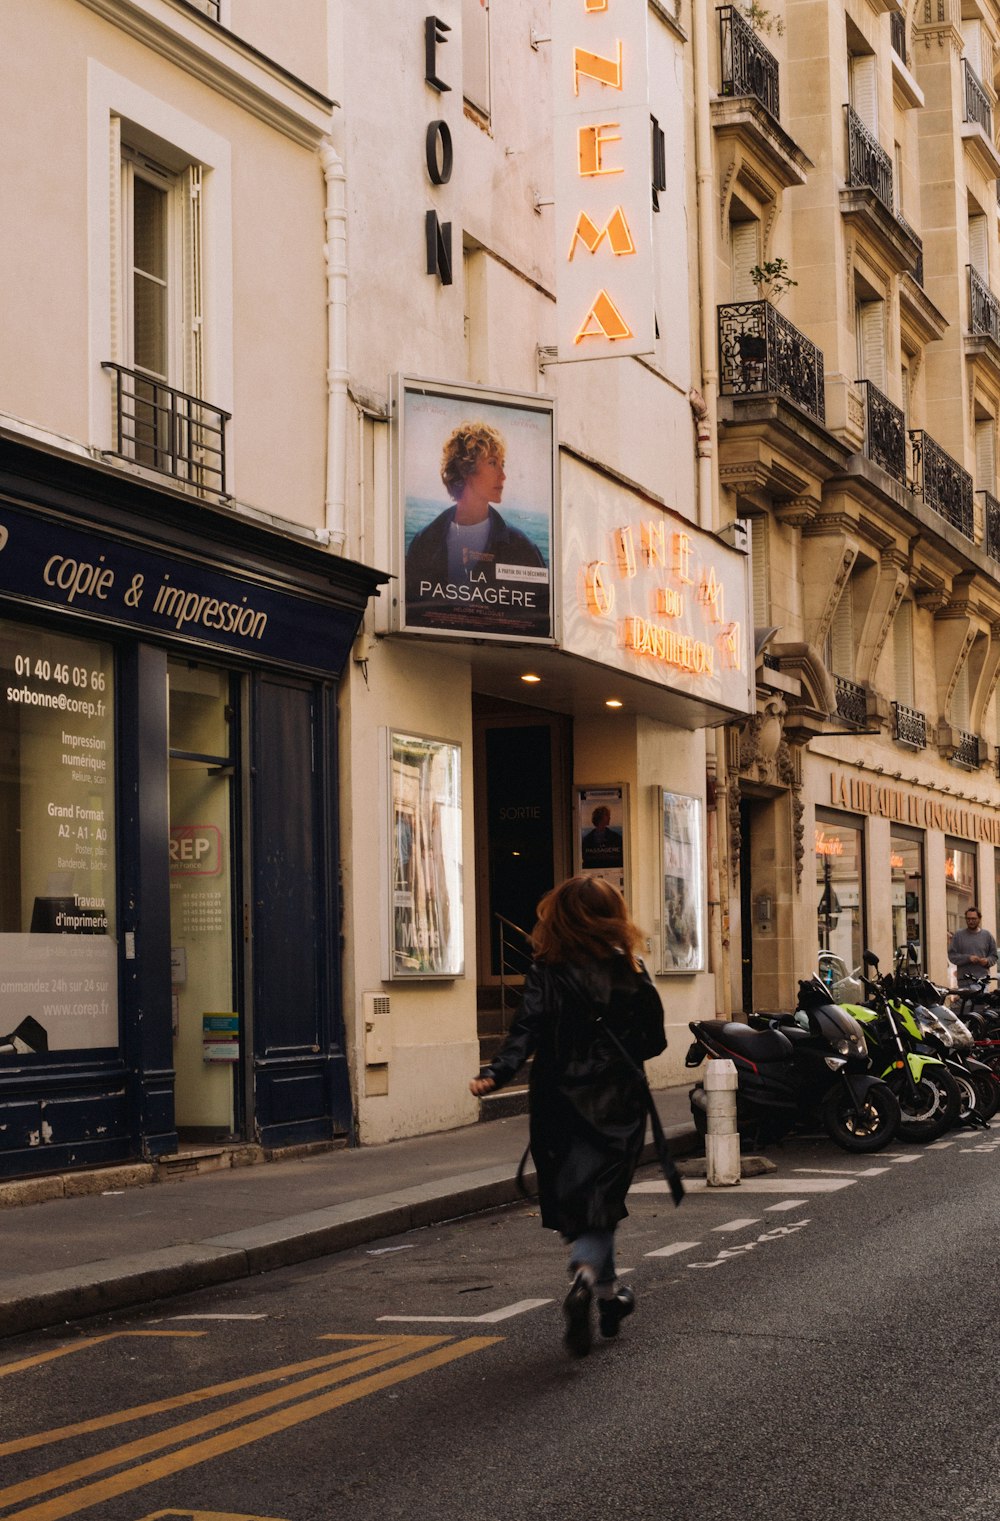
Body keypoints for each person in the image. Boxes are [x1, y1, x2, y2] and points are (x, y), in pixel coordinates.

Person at [469, 876, 666, 1358]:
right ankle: (585, 1274)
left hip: (558, 1098)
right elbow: (655, 1041)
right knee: (600, 1198)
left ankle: (607, 1293)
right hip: (616, 1100)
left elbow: (525, 1030)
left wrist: (497, 1073)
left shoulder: (546, 971)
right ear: (612, 916)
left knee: (579, 1197)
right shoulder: (629, 970)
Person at [404, 421, 549, 635]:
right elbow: (411, 611)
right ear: (466, 469)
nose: (503, 475)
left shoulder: (522, 548)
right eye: (492, 463)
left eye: (502, 464)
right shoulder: (425, 541)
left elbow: (540, 622)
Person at [948, 905, 998, 989]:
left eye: (973, 919)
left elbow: (994, 956)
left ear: (979, 919)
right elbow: (952, 956)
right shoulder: (958, 935)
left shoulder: (987, 935)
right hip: (964, 982)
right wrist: (968, 958)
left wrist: (987, 961)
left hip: (982, 983)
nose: (971, 921)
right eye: (968, 919)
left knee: (980, 1002)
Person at [580, 805, 623, 869]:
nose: (609, 818)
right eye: (607, 815)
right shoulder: (587, 840)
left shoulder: (616, 838)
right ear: (600, 818)